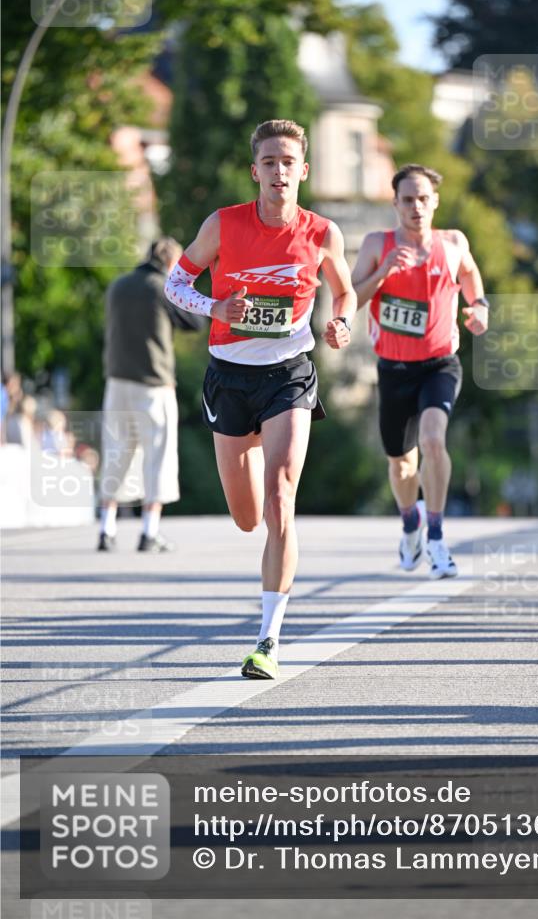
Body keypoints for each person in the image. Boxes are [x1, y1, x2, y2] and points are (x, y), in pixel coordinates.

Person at [164, 118, 356, 680]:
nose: (278, 171)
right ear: (256, 171)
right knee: (247, 517)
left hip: (289, 376)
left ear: (303, 171)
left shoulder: (322, 233)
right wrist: (213, 308)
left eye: (287, 162)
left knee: (279, 500)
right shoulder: (223, 225)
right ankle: (266, 604)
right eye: (268, 162)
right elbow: (176, 283)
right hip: (229, 377)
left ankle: (267, 640)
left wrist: (341, 322)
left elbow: (343, 290)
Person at [352, 163, 489, 578]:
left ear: (435, 203)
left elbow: (470, 275)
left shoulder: (453, 242)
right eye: (407, 200)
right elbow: (350, 299)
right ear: (395, 203)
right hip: (393, 369)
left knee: (433, 441)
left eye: (423, 199)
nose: (416, 207)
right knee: (401, 463)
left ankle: (436, 536)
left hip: (439, 364)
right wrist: (383, 271)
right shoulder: (377, 244)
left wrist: (479, 307)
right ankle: (409, 523)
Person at [98, 237, 205, 552]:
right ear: (171, 261)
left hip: (116, 382)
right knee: (158, 457)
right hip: (154, 386)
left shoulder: (118, 286)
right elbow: (195, 322)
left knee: (116, 454)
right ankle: (149, 531)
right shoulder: (163, 287)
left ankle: (106, 528)